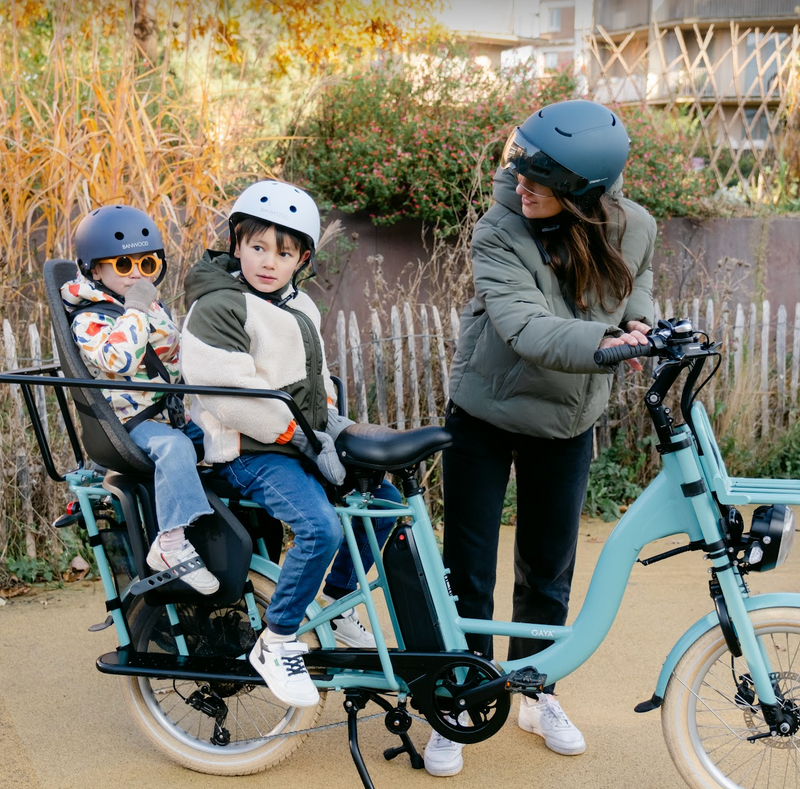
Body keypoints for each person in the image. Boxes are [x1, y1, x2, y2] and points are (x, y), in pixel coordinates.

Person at [423, 99, 656, 777]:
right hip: (484, 414)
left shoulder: (636, 227)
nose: (518, 184)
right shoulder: (500, 230)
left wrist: (645, 330)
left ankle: (533, 690)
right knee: (469, 568)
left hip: (567, 420)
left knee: (547, 570)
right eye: (516, 167)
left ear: (582, 193)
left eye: (538, 179)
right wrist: (613, 344)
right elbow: (525, 327)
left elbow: (633, 296)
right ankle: (463, 697)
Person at [180, 179, 399, 708]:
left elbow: (313, 377)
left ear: (301, 259)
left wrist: (329, 425)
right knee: (318, 525)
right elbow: (227, 396)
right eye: (257, 247)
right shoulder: (219, 304)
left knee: (386, 504)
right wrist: (297, 435)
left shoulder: (299, 305)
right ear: (237, 244)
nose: (268, 262)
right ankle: (277, 641)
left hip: (299, 437)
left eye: (284, 252)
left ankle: (339, 602)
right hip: (247, 448)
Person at [62, 205, 219, 596]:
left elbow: (172, 357)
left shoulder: (149, 306)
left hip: (167, 413)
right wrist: (135, 308)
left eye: (145, 263)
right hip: (127, 423)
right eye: (122, 264)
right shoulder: (90, 318)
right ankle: (170, 545)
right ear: (95, 270)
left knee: (225, 435)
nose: (135, 272)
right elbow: (120, 360)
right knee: (176, 447)